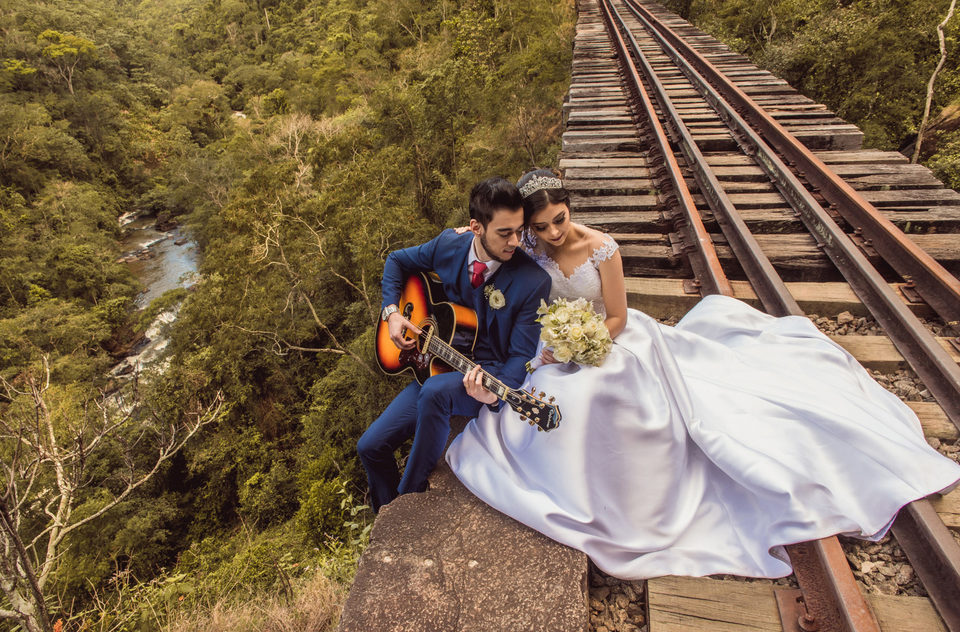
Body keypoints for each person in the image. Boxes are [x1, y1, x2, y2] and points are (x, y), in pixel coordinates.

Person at [446, 168, 960, 579]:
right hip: (551, 344)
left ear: (569, 209)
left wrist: (588, 344)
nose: (552, 233)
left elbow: (619, 317)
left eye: (559, 219)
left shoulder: (602, 248)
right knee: (541, 398)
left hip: (609, 338)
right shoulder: (528, 246)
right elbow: (490, 246)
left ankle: (632, 499)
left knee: (605, 391)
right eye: (541, 227)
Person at [359, 176, 551, 513]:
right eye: (504, 233)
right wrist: (391, 312)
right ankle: (384, 512)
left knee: (436, 392)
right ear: (476, 227)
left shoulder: (534, 281)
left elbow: (521, 354)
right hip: (437, 363)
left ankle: (407, 500)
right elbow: (396, 261)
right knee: (369, 446)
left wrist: (494, 393)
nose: (515, 241)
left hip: (483, 373)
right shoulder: (449, 244)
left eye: (519, 230)